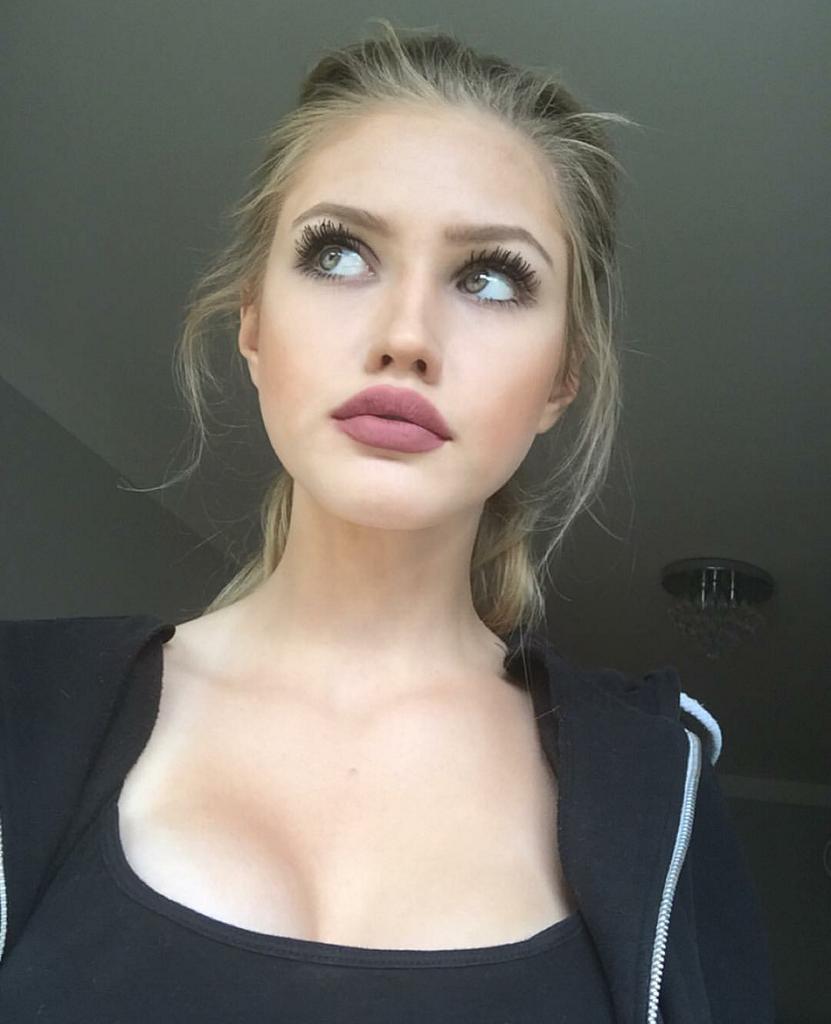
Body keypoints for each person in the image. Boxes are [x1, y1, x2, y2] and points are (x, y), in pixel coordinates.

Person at [0, 18, 775, 1023]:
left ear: (562, 377)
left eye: (489, 277)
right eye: (338, 253)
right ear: (251, 322)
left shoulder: (659, 788)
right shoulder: (20, 709)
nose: (406, 335)